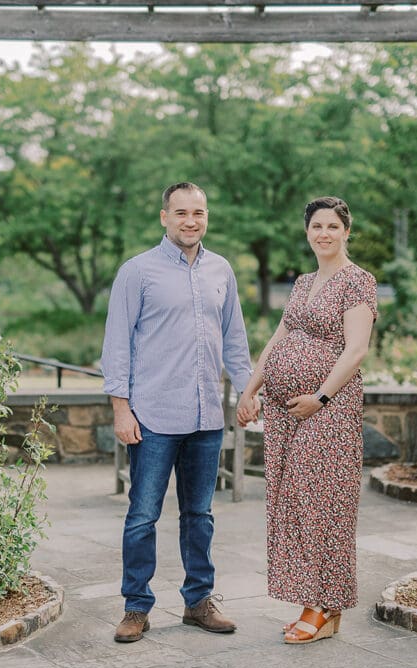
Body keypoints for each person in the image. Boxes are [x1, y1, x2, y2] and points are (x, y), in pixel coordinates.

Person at [102, 182, 253, 644]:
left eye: (199, 213)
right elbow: (117, 345)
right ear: (164, 217)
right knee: (143, 515)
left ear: (206, 217)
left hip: (207, 417)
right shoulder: (137, 271)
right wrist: (121, 409)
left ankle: (198, 602)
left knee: (200, 516)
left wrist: (247, 390)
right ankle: (135, 607)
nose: (191, 220)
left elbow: (234, 341)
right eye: (182, 212)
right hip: (153, 416)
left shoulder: (221, 270)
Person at [236, 196, 377, 645]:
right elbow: (279, 339)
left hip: (328, 410)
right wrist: (251, 388)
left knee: (318, 500)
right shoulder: (302, 283)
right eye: (317, 226)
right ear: (307, 232)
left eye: (333, 226)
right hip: (284, 413)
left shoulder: (358, 282)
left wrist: (320, 396)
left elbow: (355, 350)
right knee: (292, 501)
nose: (324, 234)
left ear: (346, 232)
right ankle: (323, 606)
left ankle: (319, 605)